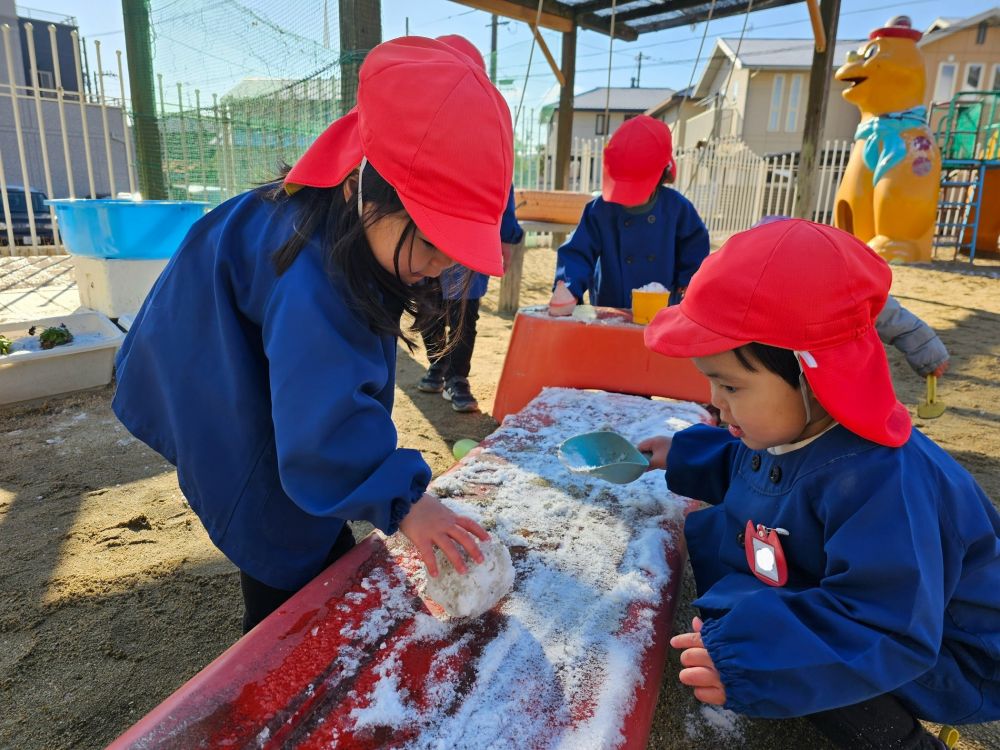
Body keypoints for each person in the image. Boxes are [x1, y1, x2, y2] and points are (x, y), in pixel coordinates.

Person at [112, 37, 514, 634]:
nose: (439, 265)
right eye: (431, 241)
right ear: (363, 189)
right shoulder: (313, 273)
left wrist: (381, 491)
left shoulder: (345, 219)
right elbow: (323, 420)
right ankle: (274, 654)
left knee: (310, 490)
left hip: (244, 355)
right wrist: (407, 502)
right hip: (208, 372)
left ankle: (314, 555)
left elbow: (333, 386)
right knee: (275, 524)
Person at [637, 220, 999, 749]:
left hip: (945, 646)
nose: (716, 402)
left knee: (822, 658)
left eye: (732, 385)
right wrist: (685, 455)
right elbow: (755, 466)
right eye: (710, 381)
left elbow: (882, 626)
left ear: (814, 376)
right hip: (895, 616)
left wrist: (751, 660)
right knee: (762, 591)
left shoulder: (883, 484)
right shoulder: (800, 425)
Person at [415, 34, 525, 413]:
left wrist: (506, 238)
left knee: (464, 313)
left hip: (470, 239)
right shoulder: (415, 127)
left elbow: (502, 188)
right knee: (428, 306)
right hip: (425, 236)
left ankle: (457, 376)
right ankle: (438, 363)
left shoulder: (488, 130)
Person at [547, 114, 709, 315]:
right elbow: (578, 252)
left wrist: (689, 280)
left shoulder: (676, 208)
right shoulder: (601, 210)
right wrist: (569, 287)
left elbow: (695, 246)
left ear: (660, 173)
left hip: (661, 308)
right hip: (611, 306)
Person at [755, 215, 949, 379]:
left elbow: (888, 314)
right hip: (768, 373)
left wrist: (928, 353)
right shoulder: (744, 286)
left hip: (826, 374)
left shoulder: (835, 285)